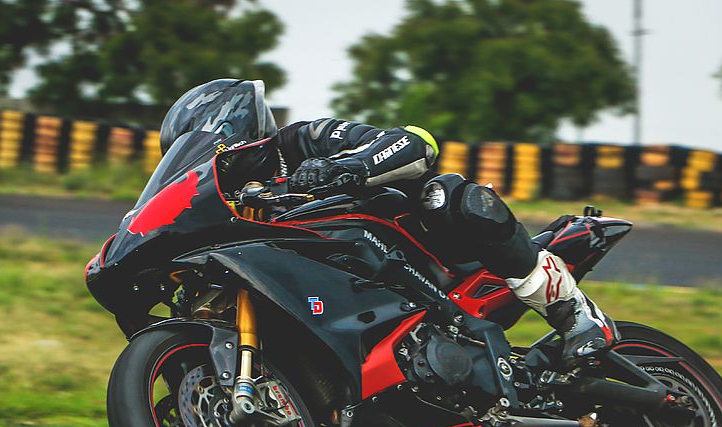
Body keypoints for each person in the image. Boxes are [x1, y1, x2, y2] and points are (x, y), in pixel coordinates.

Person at [160, 79, 618, 367]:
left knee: (451, 195)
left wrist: (348, 166)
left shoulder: (301, 140)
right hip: (338, 290)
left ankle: (579, 321)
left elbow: (413, 142)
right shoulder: (234, 206)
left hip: (417, 249)